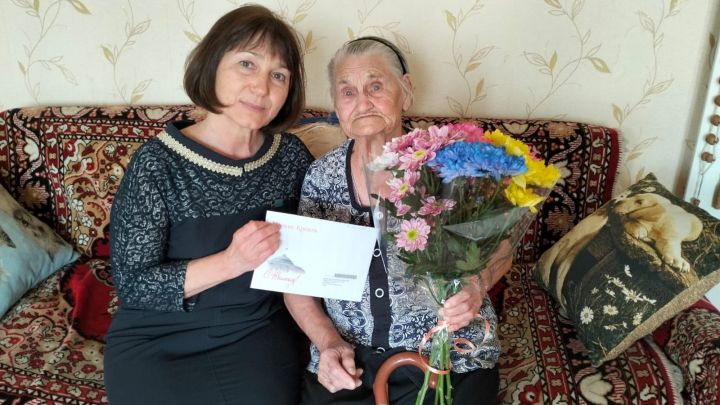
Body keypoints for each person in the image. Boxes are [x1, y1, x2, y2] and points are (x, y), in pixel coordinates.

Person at [104, 5, 312, 404]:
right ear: (212, 65)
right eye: (247, 64)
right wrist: (232, 261)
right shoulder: (157, 164)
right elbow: (135, 287)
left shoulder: (290, 157)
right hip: (157, 336)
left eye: (278, 75)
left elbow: (315, 251)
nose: (261, 87)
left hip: (253, 331)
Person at [285, 36, 511, 405]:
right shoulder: (322, 177)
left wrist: (475, 286)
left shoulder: (450, 166)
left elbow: (502, 247)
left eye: (375, 86)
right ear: (336, 105)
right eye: (348, 91)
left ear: (405, 90)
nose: (362, 102)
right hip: (350, 361)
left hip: (447, 356)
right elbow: (296, 278)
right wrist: (327, 344)